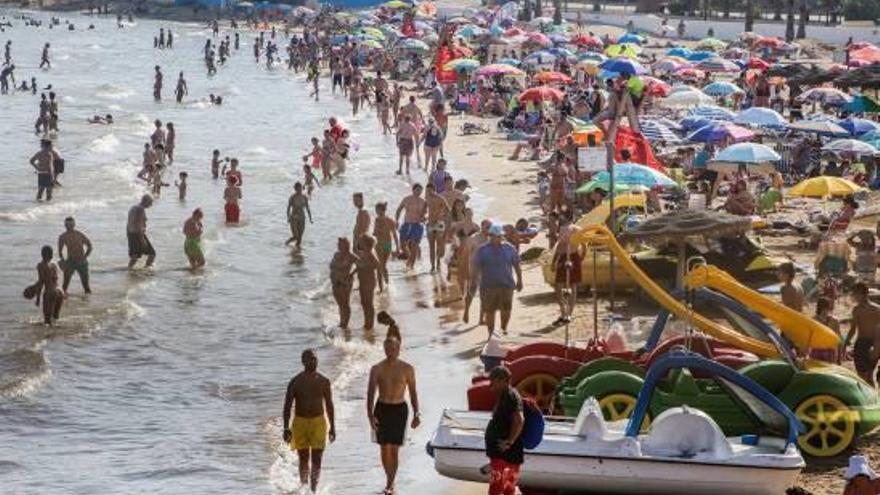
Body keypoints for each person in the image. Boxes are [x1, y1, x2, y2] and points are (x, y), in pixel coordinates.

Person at [367, 337, 420, 495]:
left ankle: (390, 484)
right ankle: (389, 480)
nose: (390, 352)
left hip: (399, 410)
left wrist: (417, 413)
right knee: (384, 449)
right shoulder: (377, 368)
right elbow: (370, 393)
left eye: (393, 349)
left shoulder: (407, 368)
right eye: (387, 349)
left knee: (395, 450)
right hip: (381, 409)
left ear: (398, 349)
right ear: (384, 349)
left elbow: (413, 393)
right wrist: (370, 415)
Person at [282, 349, 336, 494]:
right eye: (310, 359)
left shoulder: (324, 381)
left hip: (319, 422)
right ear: (303, 362)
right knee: (304, 458)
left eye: (315, 359)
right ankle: (304, 487)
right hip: (300, 423)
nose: (313, 361)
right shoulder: (295, 382)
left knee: (317, 459)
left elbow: (330, 405)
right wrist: (286, 428)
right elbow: (287, 406)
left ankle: (313, 490)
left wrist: (332, 427)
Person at [471, 223, 523, 334]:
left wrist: (520, 280)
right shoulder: (482, 250)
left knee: (506, 309)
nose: (497, 238)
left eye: (499, 236)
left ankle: (504, 329)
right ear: (490, 236)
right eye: (494, 236)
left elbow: (517, 265)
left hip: (507, 285)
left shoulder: (509, 248)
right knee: (490, 311)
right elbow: (476, 269)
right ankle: (491, 334)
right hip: (488, 287)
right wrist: (473, 285)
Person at [484, 365, 524, 495]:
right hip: (507, 455)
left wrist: (509, 442)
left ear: (502, 381)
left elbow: (520, 420)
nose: (491, 385)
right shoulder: (506, 395)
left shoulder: (510, 396)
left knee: (496, 489)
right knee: (508, 489)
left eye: (493, 381)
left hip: (504, 455)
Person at [844, 283, 880, 385]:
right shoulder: (857, 310)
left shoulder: (875, 309)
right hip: (865, 345)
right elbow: (853, 330)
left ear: (864, 294)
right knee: (866, 377)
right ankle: (872, 398)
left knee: (865, 378)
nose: (855, 296)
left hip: (868, 345)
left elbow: (853, 330)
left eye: (857, 294)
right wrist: (845, 343)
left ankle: (870, 399)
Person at [552, 211, 583, 325]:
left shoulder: (564, 228)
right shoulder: (578, 228)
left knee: (559, 284)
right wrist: (582, 256)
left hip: (565, 256)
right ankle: (569, 313)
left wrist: (554, 261)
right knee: (573, 285)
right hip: (575, 256)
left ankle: (564, 312)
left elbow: (560, 246)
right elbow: (583, 244)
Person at [395, 184, 428, 270]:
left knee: (414, 245)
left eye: (420, 190)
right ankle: (410, 258)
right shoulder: (406, 199)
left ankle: (411, 266)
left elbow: (425, 214)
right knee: (402, 244)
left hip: (417, 225)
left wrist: (424, 218)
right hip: (406, 223)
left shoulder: (423, 201)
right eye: (417, 190)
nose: (419, 192)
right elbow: (399, 210)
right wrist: (397, 221)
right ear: (413, 190)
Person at [57, 216, 93, 294]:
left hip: (82, 262)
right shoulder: (62, 237)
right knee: (64, 286)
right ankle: (63, 303)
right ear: (65, 225)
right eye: (67, 225)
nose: (68, 227)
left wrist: (86, 256)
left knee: (86, 287)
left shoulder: (79, 234)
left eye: (70, 225)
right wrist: (63, 261)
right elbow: (60, 252)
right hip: (70, 262)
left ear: (74, 225)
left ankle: (88, 303)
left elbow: (90, 245)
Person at [330, 237, 359, 329]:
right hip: (335, 281)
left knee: (345, 303)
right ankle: (341, 321)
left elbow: (361, 264)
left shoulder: (351, 256)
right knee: (340, 303)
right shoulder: (336, 254)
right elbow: (331, 266)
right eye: (338, 244)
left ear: (346, 245)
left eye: (340, 244)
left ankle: (345, 324)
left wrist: (352, 274)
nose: (338, 246)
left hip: (345, 282)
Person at [32, 245, 64, 325]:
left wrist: (38, 298)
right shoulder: (54, 265)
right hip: (60, 291)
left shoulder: (41, 265)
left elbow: (41, 282)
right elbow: (55, 279)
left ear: (42, 254)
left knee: (47, 321)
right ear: (51, 254)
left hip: (50, 292)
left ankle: (48, 336)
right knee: (56, 318)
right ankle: (56, 335)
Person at [357, 235, 380, 330]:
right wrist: (351, 274)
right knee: (363, 302)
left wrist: (367, 265)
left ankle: (370, 323)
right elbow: (358, 266)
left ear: (366, 244)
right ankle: (366, 321)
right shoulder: (362, 253)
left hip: (369, 281)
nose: (358, 242)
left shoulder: (370, 253)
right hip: (362, 281)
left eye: (361, 241)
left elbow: (377, 264)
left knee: (369, 303)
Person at [373, 202, 398, 291]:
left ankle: (385, 285)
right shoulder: (377, 220)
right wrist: (377, 231)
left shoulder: (389, 220)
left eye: (377, 210)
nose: (376, 211)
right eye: (376, 210)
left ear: (382, 210)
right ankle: (383, 286)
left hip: (385, 245)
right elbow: (374, 233)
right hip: (382, 245)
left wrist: (398, 248)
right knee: (381, 265)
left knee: (383, 265)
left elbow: (394, 234)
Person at [127, 194, 156, 269]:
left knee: (134, 256)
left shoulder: (133, 207)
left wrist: (129, 235)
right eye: (150, 203)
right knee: (152, 254)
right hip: (138, 234)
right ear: (145, 201)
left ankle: (130, 271)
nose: (151, 205)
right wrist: (142, 239)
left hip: (131, 233)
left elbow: (129, 223)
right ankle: (147, 270)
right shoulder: (141, 210)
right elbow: (139, 225)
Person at [286, 182, 312, 249]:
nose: (299, 190)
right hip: (294, 218)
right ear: (295, 189)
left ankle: (296, 254)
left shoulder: (304, 197)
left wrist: (310, 218)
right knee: (296, 236)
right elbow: (288, 208)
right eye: (297, 189)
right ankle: (287, 243)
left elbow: (307, 208)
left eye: (300, 189)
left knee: (300, 238)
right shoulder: (292, 197)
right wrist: (288, 217)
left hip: (302, 218)